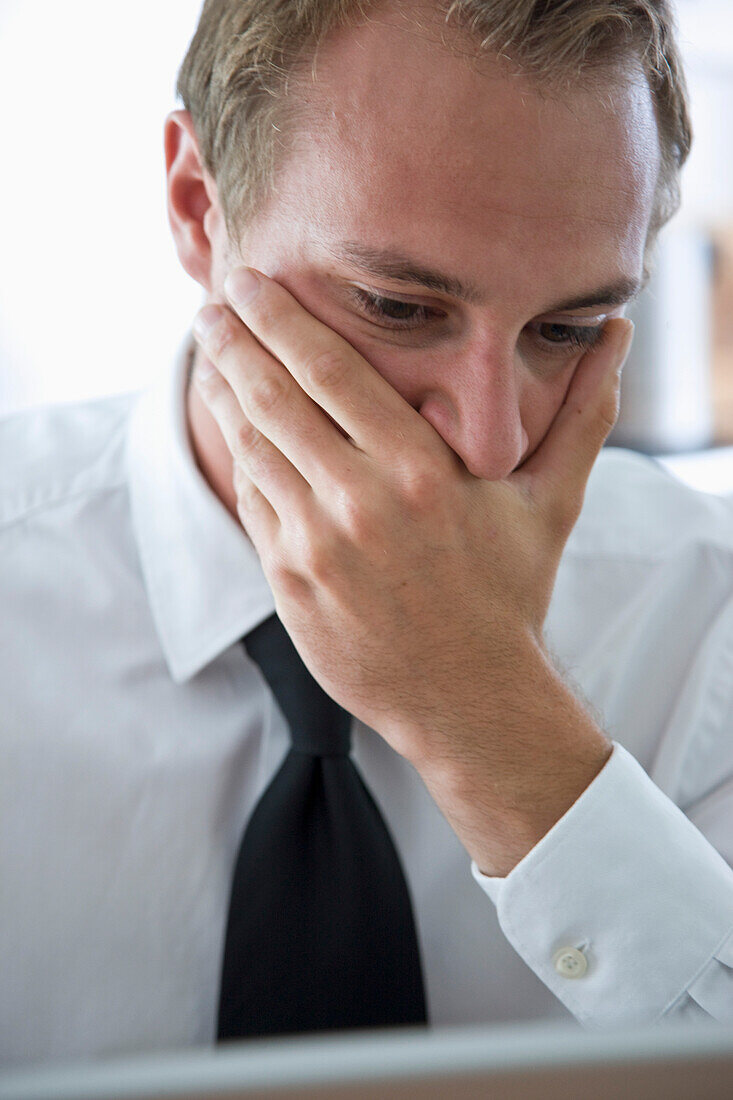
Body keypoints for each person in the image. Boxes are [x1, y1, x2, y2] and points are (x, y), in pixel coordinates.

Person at [3, 0, 733, 1068]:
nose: (489, 438)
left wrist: (494, 726)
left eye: (566, 330)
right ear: (198, 209)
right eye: (398, 306)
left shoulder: (703, 619)